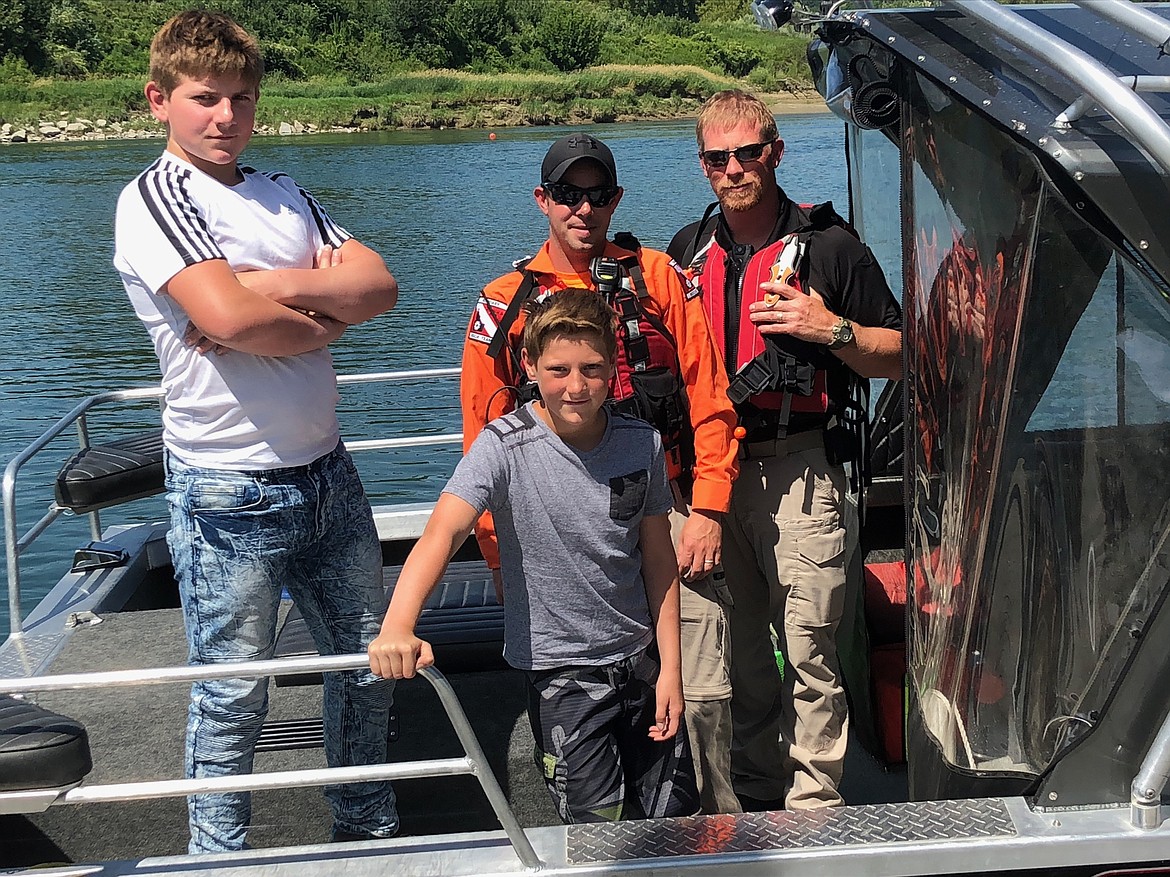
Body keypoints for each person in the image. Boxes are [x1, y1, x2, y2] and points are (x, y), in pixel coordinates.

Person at [113, 10, 399, 852]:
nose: (226, 117)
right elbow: (229, 320)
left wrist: (276, 283)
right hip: (227, 486)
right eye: (205, 98)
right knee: (234, 693)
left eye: (241, 98)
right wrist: (321, 312)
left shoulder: (283, 192)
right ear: (160, 99)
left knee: (366, 670)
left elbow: (379, 285)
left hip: (327, 472)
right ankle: (220, 857)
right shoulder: (154, 198)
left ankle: (368, 831)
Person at [460, 133, 741, 814]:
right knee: (575, 707)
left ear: (615, 200)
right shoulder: (502, 302)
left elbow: (709, 395)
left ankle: (713, 847)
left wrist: (707, 507)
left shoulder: (657, 277)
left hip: (664, 513)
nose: (582, 208)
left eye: (596, 194)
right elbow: (481, 436)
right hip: (554, 530)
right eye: (566, 193)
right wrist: (500, 556)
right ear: (543, 200)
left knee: (699, 696)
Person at [370, 290, 699, 822]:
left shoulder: (643, 443)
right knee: (596, 832)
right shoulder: (504, 445)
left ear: (614, 368)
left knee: (675, 821)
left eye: (592, 369)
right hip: (561, 674)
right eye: (560, 369)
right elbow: (443, 532)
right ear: (529, 365)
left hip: (643, 662)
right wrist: (398, 623)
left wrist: (672, 674)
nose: (576, 386)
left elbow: (660, 563)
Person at [668, 89, 903, 810]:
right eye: (718, 157)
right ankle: (755, 805)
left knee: (811, 650)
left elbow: (903, 352)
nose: (734, 168)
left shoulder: (832, 248)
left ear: (775, 151)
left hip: (800, 468)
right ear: (704, 164)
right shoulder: (685, 250)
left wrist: (830, 328)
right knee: (737, 658)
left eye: (748, 152)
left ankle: (814, 813)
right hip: (711, 479)